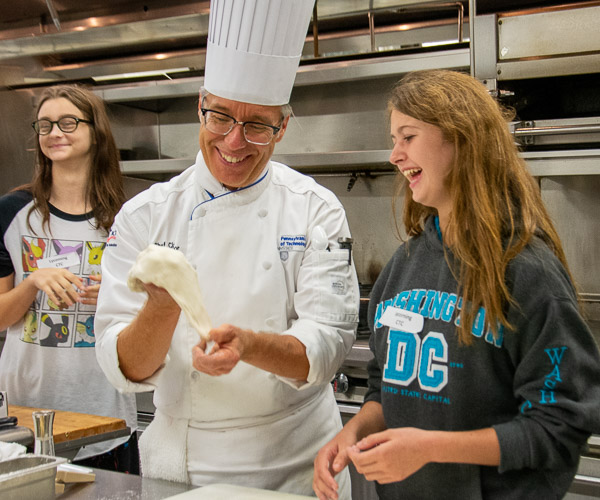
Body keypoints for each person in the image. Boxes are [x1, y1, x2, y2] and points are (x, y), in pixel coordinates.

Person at [94, 0, 358, 496]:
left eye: (257, 124)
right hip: (185, 465)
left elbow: (326, 346)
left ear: (282, 126)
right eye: (220, 118)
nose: (234, 141)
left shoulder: (315, 209)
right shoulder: (145, 215)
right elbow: (120, 366)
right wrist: (161, 306)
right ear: (200, 104)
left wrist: (250, 346)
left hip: (294, 465)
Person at [313, 69, 600, 500]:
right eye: (394, 139)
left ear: (460, 140)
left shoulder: (528, 272)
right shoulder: (403, 265)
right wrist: (350, 432)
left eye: (407, 137)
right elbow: (381, 389)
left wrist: (431, 449)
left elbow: (558, 428)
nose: (394, 155)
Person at [0, 84, 139, 472]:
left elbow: (151, 309)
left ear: (96, 133)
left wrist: (115, 296)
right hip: (25, 413)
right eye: (44, 126)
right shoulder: (12, 212)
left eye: (67, 122)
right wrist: (32, 282)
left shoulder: (128, 218)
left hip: (105, 410)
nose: (54, 133)